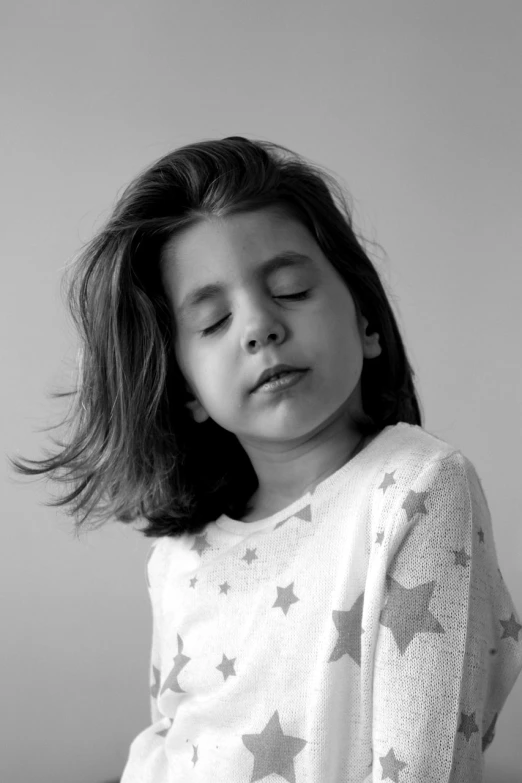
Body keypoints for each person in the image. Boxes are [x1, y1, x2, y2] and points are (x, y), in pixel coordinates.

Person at [10, 136, 522, 782]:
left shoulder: (417, 488)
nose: (258, 325)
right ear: (188, 389)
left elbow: (423, 766)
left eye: (290, 288)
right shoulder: (179, 559)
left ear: (366, 318)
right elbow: (168, 743)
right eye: (215, 320)